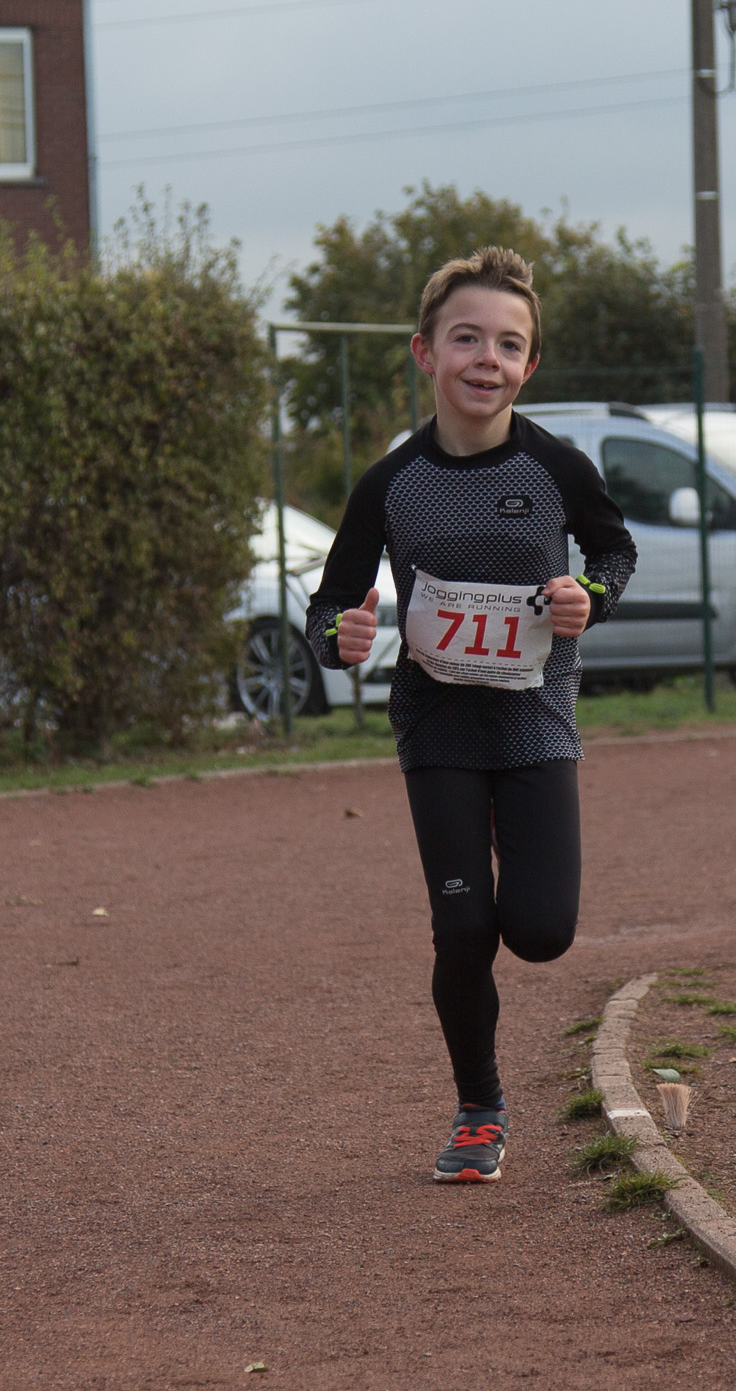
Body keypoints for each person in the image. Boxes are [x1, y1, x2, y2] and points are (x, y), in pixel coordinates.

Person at [305, 246, 637, 1184]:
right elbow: (326, 606)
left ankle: (508, 833)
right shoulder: (391, 482)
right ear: (425, 351)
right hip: (438, 726)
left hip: (534, 721)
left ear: (529, 365)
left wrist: (587, 597)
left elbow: (614, 552)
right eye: (466, 338)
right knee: (462, 931)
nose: (486, 358)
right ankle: (480, 1109)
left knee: (540, 931)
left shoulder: (556, 466)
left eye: (508, 343)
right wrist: (340, 635)